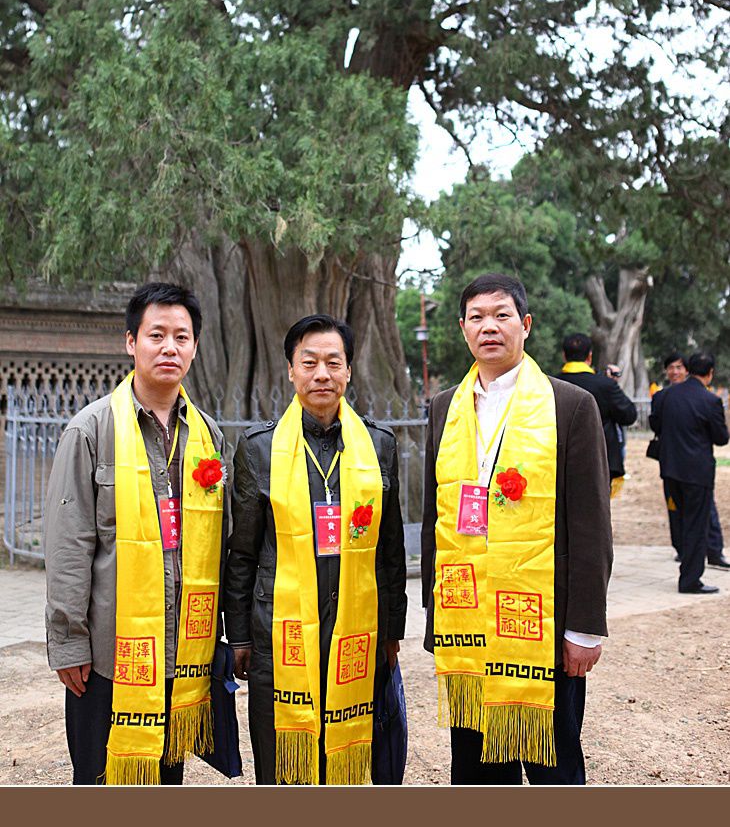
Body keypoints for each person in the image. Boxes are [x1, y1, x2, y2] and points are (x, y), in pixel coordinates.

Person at [421, 273, 613, 786]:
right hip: (467, 615)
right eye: (477, 317)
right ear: (463, 328)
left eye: (501, 315)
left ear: (525, 325)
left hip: (543, 616)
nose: (489, 327)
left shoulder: (570, 405)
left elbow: (592, 524)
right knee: (476, 767)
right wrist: (435, 617)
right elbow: (435, 515)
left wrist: (584, 628)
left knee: (554, 767)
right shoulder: (444, 407)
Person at [45, 282, 230, 785]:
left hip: (181, 654)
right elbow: (69, 545)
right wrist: (69, 643)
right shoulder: (91, 430)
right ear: (131, 342)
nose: (170, 348)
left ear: (195, 347)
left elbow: (221, 543)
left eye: (182, 337)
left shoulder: (208, 436)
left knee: (167, 782)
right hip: (109, 655)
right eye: (156, 335)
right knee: (102, 781)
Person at [224, 313, 407, 785]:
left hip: (357, 629)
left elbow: (390, 551)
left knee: (350, 761)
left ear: (349, 370)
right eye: (309, 363)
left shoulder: (378, 446)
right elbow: (242, 552)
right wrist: (239, 636)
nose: (321, 374)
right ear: (291, 371)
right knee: (283, 760)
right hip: (278, 632)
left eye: (333, 362)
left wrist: (392, 631)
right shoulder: (259, 449)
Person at [652, 352, 729, 594]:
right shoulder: (710, 401)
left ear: (688, 369)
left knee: (678, 518)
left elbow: (656, 425)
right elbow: (721, 438)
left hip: (670, 468)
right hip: (697, 472)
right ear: (710, 373)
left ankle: (684, 560)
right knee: (696, 524)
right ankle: (690, 579)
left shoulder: (665, 396)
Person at [557, 333, 637, 494]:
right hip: (599, 459)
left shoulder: (549, 383)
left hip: (560, 459)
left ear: (564, 355)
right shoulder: (605, 385)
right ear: (589, 356)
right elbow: (629, 415)